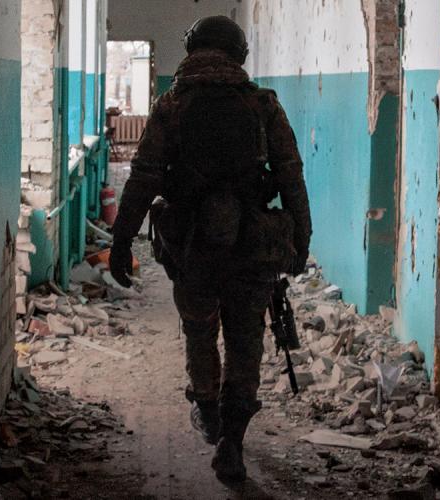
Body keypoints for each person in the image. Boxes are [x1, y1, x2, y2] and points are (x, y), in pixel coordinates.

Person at [107, 15, 312, 483]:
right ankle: (231, 442)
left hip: (192, 247)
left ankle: (207, 408)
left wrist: (123, 241)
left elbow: (144, 177)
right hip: (253, 246)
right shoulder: (263, 105)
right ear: (239, 54)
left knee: (200, 331)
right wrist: (302, 237)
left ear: (192, 49)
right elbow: (291, 176)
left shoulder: (172, 105)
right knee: (246, 341)